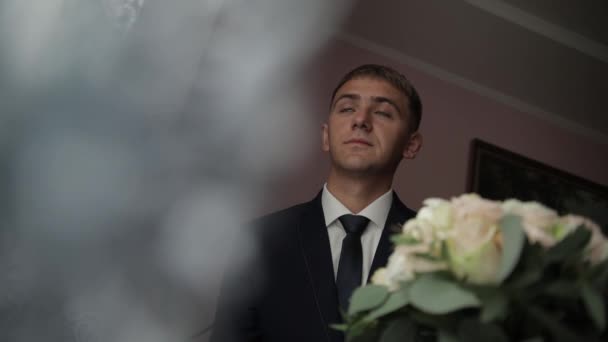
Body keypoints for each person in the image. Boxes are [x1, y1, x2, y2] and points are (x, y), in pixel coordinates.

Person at [210, 64, 423, 342]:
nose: (361, 120)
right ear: (325, 136)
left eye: (383, 112)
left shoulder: (437, 249)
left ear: (411, 145)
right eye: (347, 109)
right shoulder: (258, 241)